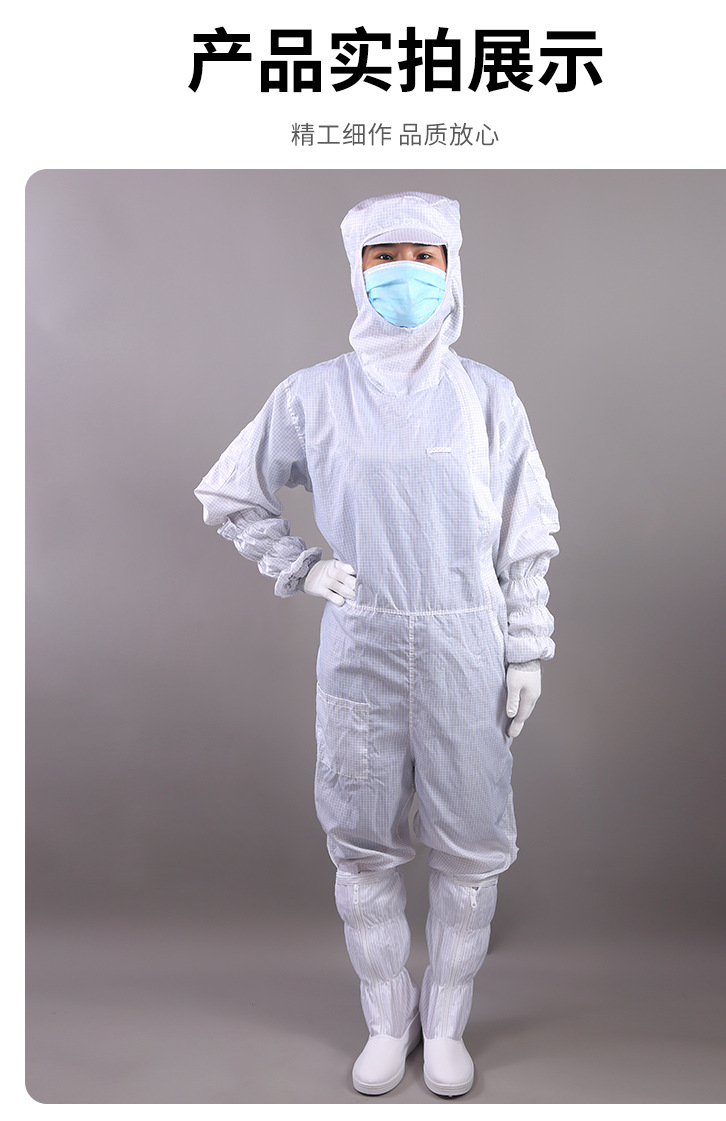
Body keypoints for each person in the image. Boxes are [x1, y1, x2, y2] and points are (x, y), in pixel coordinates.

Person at [195, 191, 559, 1098]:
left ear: (453, 269)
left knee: (470, 846)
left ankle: (448, 1022)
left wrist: (524, 645)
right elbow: (231, 493)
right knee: (363, 845)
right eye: (384, 255)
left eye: (424, 256)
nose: (405, 273)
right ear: (356, 270)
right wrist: (302, 566)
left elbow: (525, 531)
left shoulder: (488, 397)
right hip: (363, 646)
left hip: (467, 644)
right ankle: (388, 1019)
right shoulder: (313, 394)